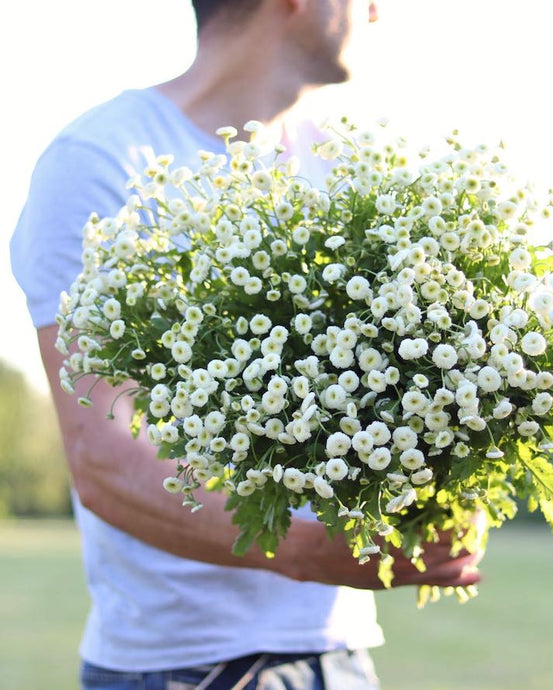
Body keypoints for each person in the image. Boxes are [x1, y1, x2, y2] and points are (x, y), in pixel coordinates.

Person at [11, 1, 484, 688]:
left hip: (338, 656)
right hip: (182, 665)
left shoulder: (349, 167)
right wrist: (307, 552)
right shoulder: (102, 158)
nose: (378, 10)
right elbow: (102, 456)